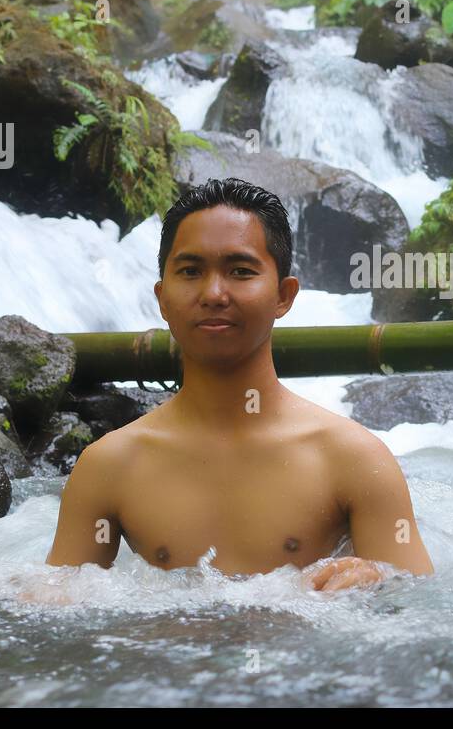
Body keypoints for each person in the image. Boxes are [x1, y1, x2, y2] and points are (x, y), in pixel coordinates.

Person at [44, 178, 433, 592]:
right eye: (190, 271)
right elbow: (54, 615)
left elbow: (421, 609)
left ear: (284, 295)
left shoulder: (353, 459)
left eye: (240, 271)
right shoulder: (108, 467)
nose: (213, 293)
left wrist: (380, 581)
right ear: (161, 297)